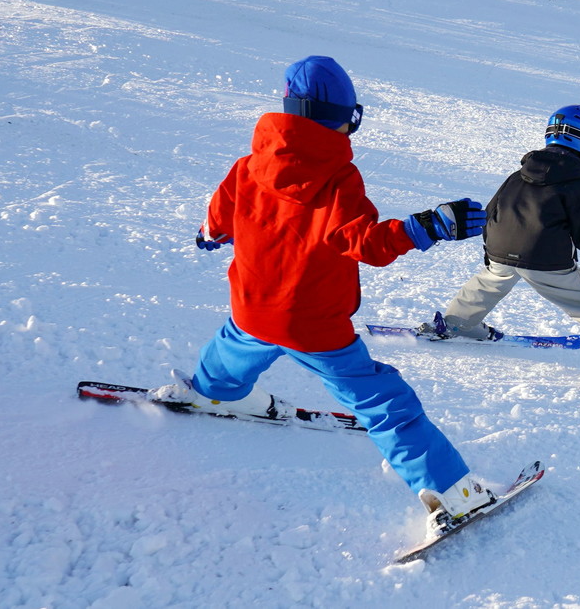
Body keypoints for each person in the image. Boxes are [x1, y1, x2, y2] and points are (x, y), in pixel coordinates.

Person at [149, 55, 496, 536]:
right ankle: (452, 491)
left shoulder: (247, 168)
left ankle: (210, 394)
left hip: (251, 309)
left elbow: (216, 222)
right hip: (314, 327)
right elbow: (368, 244)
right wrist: (427, 226)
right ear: (346, 119)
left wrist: (210, 233)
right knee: (383, 402)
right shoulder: (337, 181)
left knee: (233, 351)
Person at [419, 105, 580, 396]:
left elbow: (492, 212)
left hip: (501, 249)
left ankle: (456, 324)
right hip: (546, 260)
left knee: (486, 285)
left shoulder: (517, 176)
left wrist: (491, 251)